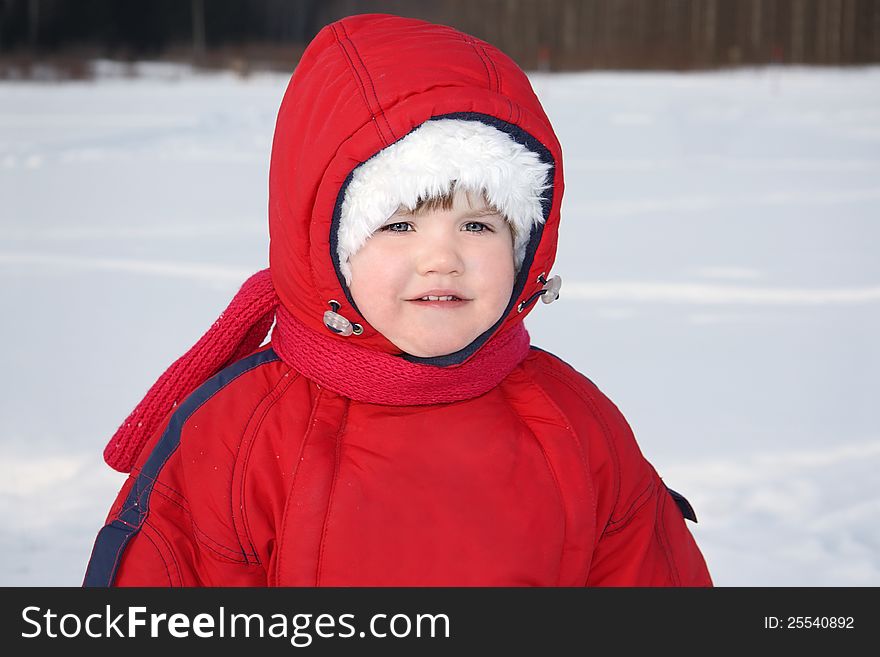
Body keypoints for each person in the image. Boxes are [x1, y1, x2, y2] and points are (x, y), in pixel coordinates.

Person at [84, 13, 711, 587]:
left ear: (527, 247)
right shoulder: (238, 433)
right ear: (324, 241)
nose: (443, 258)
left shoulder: (576, 425)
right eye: (398, 225)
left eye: (479, 226)